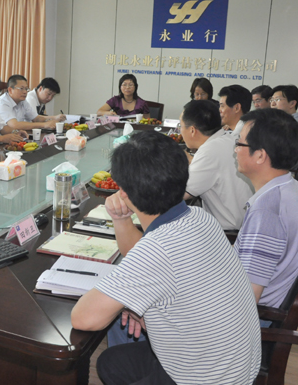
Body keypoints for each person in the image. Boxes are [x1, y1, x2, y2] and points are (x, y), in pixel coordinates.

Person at [71, 131, 261, 385]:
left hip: (207, 378)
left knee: (112, 361)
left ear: (123, 191)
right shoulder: (200, 217)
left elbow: (83, 318)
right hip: (235, 365)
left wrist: (126, 303)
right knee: (111, 363)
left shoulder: (158, 250)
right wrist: (121, 218)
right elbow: (143, 256)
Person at [234, 108, 298, 311]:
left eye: (239, 143)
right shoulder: (290, 188)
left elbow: (248, 296)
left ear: (260, 155)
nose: (235, 150)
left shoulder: (267, 210)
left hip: (258, 318)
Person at [180, 100, 253, 230]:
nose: (180, 131)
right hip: (246, 221)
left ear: (192, 130)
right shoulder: (228, 139)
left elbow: (178, 194)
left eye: (180, 126)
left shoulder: (209, 151)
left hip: (229, 232)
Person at [0, 75, 66, 131]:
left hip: (17, 136)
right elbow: (14, 125)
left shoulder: (23, 101)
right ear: (10, 90)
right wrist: (44, 124)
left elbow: (36, 118)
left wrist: (53, 120)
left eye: (26, 89)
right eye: (21, 88)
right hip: (0, 140)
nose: (25, 92)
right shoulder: (3, 103)